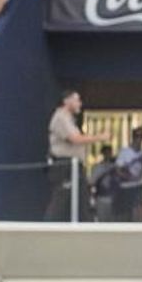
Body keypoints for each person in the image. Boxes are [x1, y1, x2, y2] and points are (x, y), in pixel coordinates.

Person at [45, 90, 103, 222]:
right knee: (61, 198)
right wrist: (99, 137)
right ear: (66, 101)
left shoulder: (69, 119)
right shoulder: (61, 117)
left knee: (82, 198)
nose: (80, 104)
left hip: (75, 165)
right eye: (77, 100)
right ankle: (49, 227)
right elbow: (75, 139)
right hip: (65, 165)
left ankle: (86, 226)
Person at [113, 127, 142, 222]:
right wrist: (129, 177)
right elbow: (118, 169)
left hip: (139, 185)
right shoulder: (125, 152)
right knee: (125, 213)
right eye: (137, 136)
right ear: (133, 137)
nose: (139, 139)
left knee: (139, 210)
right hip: (126, 187)